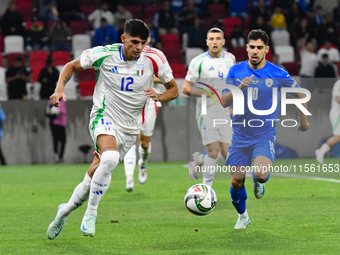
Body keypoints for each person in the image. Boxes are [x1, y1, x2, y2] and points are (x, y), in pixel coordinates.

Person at [47, 19, 179, 239]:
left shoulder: (155, 58)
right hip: (103, 115)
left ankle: (63, 212)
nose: (139, 47)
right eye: (134, 42)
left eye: (143, 43)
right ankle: (91, 213)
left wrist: (160, 96)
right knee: (109, 159)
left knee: (93, 175)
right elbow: (72, 65)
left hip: (129, 128)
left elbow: (174, 90)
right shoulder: (105, 54)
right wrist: (59, 89)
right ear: (123, 39)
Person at [221, 29, 310, 229]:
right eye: (251, 47)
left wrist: (303, 120)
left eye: (259, 47)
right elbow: (224, 100)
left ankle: (259, 181)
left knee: (260, 174)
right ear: (246, 48)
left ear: (266, 50)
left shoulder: (277, 73)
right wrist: (240, 87)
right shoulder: (236, 71)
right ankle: (243, 216)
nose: (255, 51)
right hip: (240, 135)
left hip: (264, 134)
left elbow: (300, 93)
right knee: (236, 182)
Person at [182, 27, 236, 185]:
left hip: (224, 111)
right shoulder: (198, 62)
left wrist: (231, 107)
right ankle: (207, 192)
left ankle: (199, 160)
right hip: (206, 111)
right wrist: (204, 93)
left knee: (227, 154)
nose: (215, 42)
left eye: (218, 39)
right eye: (211, 39)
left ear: (223, 41)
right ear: (206, 42)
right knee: (213, 151)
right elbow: (185, 88)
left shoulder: (230, 59)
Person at [124, 76, 164, 192]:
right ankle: (129, 178)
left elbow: (164, 78)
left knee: (144, 144)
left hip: (150, 102)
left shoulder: (155, 58)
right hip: (128, 101)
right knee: (130, 140)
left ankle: (142, 163)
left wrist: (144, 77)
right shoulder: (125, 58)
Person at [316, 79, 340, 164]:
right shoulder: (339, 83)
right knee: (338, 136)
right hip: (337, 114)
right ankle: (321, 151)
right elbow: (337, 98)